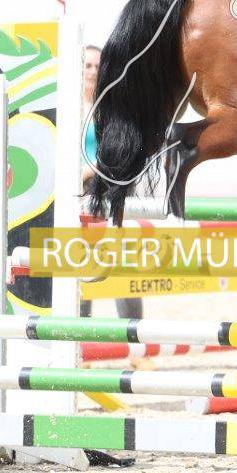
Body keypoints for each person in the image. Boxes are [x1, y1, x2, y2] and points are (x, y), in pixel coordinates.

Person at [80, 44, 142, 322]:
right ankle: (77, 334)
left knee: (121, 263)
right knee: (79, 262)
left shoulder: (111, 107)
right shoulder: (67, 108)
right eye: (88, 65)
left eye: (98, 66)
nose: (93, 71)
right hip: (77, 193)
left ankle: (134, 335)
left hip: (106, 188)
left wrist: (89, 170)